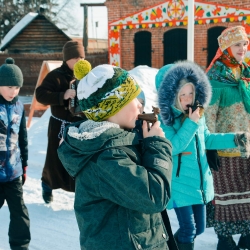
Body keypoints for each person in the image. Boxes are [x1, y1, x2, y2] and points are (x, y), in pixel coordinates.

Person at [57, 64, 178, 250]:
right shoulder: (106, 158)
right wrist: (156, 145)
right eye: (133, 99)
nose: (140, 104)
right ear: (112, 107)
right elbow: (155, 196)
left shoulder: (119, 143)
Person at [155, 60, 248, 250]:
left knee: (199, 229)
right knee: (188, 229)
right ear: (172, 96)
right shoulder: (166, 121)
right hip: (180, 183)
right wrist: (190, 123)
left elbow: (208, 140)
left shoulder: (197, 114)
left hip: (200, 182)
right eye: (182, 95)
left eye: (191, 93)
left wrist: (235, 139)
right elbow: (173, 147)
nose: (188, 99)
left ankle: (170, 247)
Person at [205, 25, 250, 250]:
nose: (242, 48)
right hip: (224, 148)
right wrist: (209, 147)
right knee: (225, 197)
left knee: (247, 194)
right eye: (237, 44)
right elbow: (209, 116)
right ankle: (224, 239)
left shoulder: (245, 72)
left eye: (244, 43)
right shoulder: (214, 78)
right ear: (225, 48)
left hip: (247, 146)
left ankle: (247, 235)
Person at [36, 41, 85, 204]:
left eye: (82, 58)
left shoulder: (85, 76)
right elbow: (40, 95)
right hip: (59, 125)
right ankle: (47, 184)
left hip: (78, 126)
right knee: (54, 159)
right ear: (67, 58)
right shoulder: (55, 75)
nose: (80, 61)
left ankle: (79, 190)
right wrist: (62, 95)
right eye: (76, 58)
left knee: (77, 159)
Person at [0, 58, 30, 250]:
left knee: (20, 214)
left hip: (13, 173)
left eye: (17, 87)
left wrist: (24, 165)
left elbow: (23, 139)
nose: (14, 92)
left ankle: (20, 247)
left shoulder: (19, 107)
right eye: (9, 86)